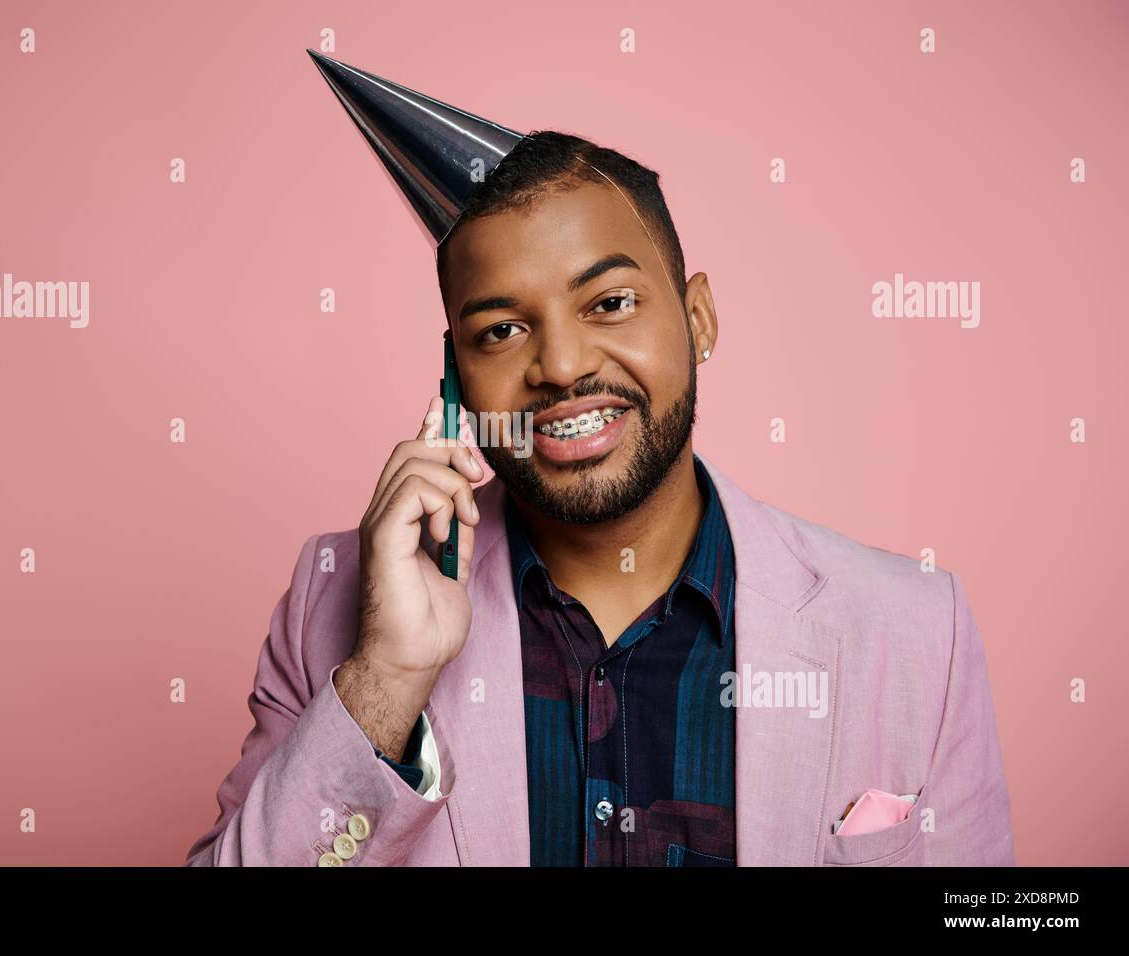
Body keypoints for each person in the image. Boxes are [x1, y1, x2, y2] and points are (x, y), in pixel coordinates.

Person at [183, 56, 1014, 868]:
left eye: (609, 303)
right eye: (501, 330)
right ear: (454, 379)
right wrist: (387, 681)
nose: (562, 365)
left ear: (697, 320)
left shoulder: (913, 630)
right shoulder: (334, 601)